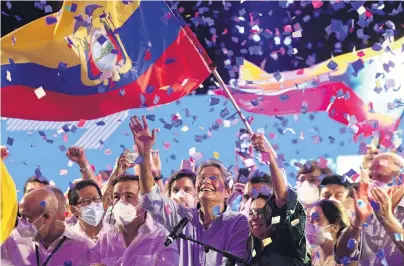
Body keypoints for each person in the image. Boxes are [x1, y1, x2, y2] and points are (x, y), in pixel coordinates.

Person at [130, 115, 249, 266]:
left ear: (228, 191)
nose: (206, 181)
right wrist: (144, 153)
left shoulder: (238, 222)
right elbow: (151, 197)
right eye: (202, 177)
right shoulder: (182, 217)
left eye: (214, 177)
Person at [247, 132, 310, 266]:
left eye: (260, 212)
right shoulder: (252, 250)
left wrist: (270, 156)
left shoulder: (288, 240)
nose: (254, 217)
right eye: (251, 213)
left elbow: (283, 197)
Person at [89, 175, 179, 265]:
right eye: (116, 197)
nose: (121, 201)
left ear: (144, 201)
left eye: (129, 196)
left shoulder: (162, 238)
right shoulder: (104, 241)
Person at [335, 152, 404, 265]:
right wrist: (356, 223)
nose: (373, 182)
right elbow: (341, 256)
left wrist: (388, 220)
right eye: (371, 177)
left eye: (381, 176)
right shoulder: (366, 207)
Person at [1, 188, 91, 265]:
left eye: (26, 217)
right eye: (20, 216)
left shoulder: (85, 247)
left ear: (46, 217)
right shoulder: (12, 241)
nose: (20, 221)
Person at [68, 180, 112, 247]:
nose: (93, 204)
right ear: (73, 210)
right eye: (85, 201)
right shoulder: (67, 240)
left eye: (96, 199)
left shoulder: (116, 234)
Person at [307, 200, 351, 266]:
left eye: (316, 219)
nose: (309, 224)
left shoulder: (345, 261)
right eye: (309, 219)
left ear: (335, 228)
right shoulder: (311, 256)